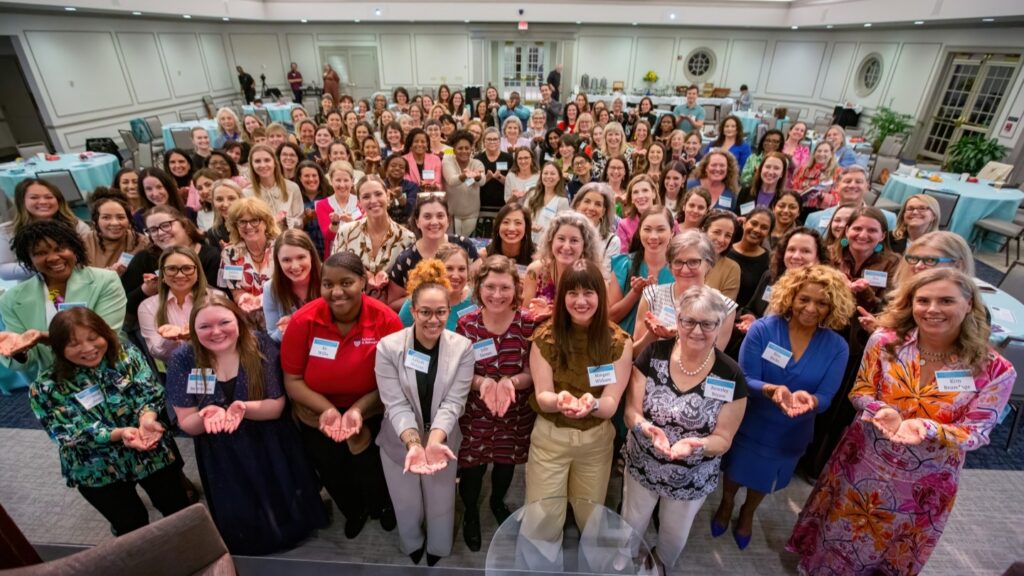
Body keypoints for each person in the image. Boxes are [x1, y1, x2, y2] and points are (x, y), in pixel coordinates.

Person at [788, 268, 1014, 575]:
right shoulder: (885, 341)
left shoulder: (995, 370)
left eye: (946, 300)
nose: (932, 309)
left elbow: (977, 433)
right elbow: (861, 391)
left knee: (889, 546)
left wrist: (926, 427)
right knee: (839, 526)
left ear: (969, 305)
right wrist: (882, 409)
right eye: (923, 300)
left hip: (925, 481)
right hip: (863, 458)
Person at [166, 294, 327, 554]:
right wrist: (207, 413)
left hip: (269, 438)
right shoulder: (185, 359)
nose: (216, 332)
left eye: (224, 322)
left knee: (283, 496)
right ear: (193, 331)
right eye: (205, 327)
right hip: (221, 449)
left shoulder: (259, 345)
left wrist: (243, 409)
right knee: (240, 506)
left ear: (238, 320)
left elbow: (275, 408)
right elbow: (188, 423)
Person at [714, 265, 853, 549]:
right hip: (750, 421)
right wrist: (771, 389)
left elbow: (827, 396)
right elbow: (745, 378)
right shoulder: (764, 330)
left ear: (833, 306)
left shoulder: (837, 347)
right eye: (804, 298)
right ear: (791, 296)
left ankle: (748, 513)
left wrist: (811, 401)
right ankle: (726, 504)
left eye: (822, 302)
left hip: (792, 429)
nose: (811, 308)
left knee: (764, 479)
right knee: (735, 472)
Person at [28, 308, 190, 536]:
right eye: (74, 344)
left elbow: (150, 392)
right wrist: (119, 434)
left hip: (149, 448)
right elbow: (67, 432)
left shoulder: (126, 356)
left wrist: (147, 418)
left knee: (178, 511)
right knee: (131, 525)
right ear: (57, 346)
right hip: (97, 467)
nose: (88, 348)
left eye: (94, 338)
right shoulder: (45, 387)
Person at [622, 285, 747, 571]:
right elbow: (631, 412)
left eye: (708, 323)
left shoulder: (731, 375)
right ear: (677, 321)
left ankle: (658, 567)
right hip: (643, 462)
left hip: (691, 476)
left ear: (719, 326)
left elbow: (724, 439)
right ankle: (624, 563)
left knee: (673, 537)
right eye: (689, 321)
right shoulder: (653, 354)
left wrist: (696, 445)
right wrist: (645, 428)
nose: (697, 330)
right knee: (630, 524)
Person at [280, 251, 401, 538]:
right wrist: (328, 411)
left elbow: (396, 379)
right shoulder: (303, 321)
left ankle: (382, 506)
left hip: (371, 410)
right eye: (327, 284)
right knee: (333, 469)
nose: (336, 292)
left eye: (346, 282)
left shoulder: (386, 320)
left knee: (373, 466)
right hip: (316, 414)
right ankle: (353, 510)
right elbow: (293, 380)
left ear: (363, 281)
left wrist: (358, 409)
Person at [522, 260, 632, 564]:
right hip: (550, 437)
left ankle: (593, 565)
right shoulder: (545, 337)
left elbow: (611, 403)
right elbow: (543, 394)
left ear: (601, 294)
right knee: (542, 513)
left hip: (596, 441)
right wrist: (561, 401)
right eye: (572, 293)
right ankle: (540, 566)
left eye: (589, 292)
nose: (581, 301)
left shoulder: (618, 342)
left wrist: (591, 404)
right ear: (562, 297)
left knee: (591, 511)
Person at [375, 267, 475, 567]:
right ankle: (412, 544)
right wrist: (414, 445)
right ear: (413, 310)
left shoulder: (463, 348)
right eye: (426, 312)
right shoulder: (388, 348)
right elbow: (395, 403)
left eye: (441, 312)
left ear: (449, 311)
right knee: (406, 504)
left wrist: (433, 442)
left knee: (442, 501)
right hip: (397, 443)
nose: (434, 320)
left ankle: (439, 547)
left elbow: (454, 402)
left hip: (442, 443)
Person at [455, 256, 538, 550]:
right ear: (478, 288)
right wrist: (484, 383)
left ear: (516, 289)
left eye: (505, 287)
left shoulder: (528, 324)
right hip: (476, 412)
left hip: (515, 413)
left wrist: (510, 383)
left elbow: (532, 373)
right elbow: (460, 373)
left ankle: (495, 501)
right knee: (473, 470)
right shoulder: (466, 325)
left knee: (506, 464)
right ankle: (471, 513)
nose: (497, 295)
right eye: (490, 287)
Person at [633, 230, 737, 355]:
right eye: (678, 262)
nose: (685, 269)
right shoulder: (652, 295)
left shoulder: (725, 307)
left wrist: (680, 334)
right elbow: (635, 353)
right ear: (670, 267)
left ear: (708, 264)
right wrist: (652, 335)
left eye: (693, 262)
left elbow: (711, 360)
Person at [123, 206, 220, 322]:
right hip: (157, 324)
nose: (160, 232)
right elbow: (125, 305)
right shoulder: (144, 258)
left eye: (165, 225)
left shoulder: (211, 256)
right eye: (153, 230)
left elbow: (219, 299)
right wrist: (146, 290)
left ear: (184, 224)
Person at [386, 196, 479, 310]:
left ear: (448, 220)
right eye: (427, 216)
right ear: (417, 222)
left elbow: (479, 286)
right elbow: (392, 303)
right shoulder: (406, 259)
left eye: (440, 216)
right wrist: (424, 295)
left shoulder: (465, 245)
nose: (434, 222)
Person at [331, 175, 415, 299]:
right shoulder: (346, 232)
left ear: (388, 195)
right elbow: (334, 272)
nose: (373, 200)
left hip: (390, 311)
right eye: (366, 197)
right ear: (359, 202)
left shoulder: (407, 238)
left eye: (378, 194)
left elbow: (409, 285)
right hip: (352, 306)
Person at [0, 178, 91, 281]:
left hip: (75, 280)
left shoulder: (76, 225)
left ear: (58, 200)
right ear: (22, 201)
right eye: (34, 197)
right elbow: (3, 271)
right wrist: (40, 266)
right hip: (33, 286)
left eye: (49, 197)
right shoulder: (8, 231)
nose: (43, 202)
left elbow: (90, 255)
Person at [139, 246, 218, 362]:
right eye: (172, 269)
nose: (180, 275)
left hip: (218, 363)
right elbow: (157, 353)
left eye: (187, 268)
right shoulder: (147, 307)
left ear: (198, 272)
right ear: (162, 274)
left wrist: (198, 336)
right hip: (179, 370)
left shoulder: (217, 297)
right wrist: (169, 339)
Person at [609, 207, 675, 335]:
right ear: (639, 232)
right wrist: (635, 293)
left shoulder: (680, 270)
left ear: (672, 232)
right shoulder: (624, 264)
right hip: (623, 346)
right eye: (647, 229)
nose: (653, 236)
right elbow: (611, 317)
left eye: (661, 229)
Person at [522, 212, 602, 315]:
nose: (566, 247)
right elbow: (525, 316)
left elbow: (596, 321)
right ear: (551, 241)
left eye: (574, 240)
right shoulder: (535, 270)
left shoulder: (594, 277)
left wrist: (550, 314)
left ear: (585, 245)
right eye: (561, 239)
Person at [218, 197, 280, 326]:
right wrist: (242, 298)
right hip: (250, 322)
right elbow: (235, 290)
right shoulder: (230, 254)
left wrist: (263, 299)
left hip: (281, 316)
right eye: (242, 222)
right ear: (236, 226)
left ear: (266, 223)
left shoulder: (281, 247)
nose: (248, 226)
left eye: (254, 220)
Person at [398, 245, 476, 328]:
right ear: (437, 271)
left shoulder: (475, 298)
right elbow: (399, 335)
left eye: (461, 269)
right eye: (449, 268)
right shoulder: (416, 300)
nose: (456, 276)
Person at [803, 165, 897, 232]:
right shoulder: (814, 219)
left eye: (858, 182)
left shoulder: (888, 219)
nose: (852, 185)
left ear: (867, 187)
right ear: (836, 187)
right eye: (847, 181)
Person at [82, 188, 148, 275]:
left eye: (121, 217)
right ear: (95, 221)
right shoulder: (83, 242)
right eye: (106, 217)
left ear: (129, 220)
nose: (115, 223)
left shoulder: (142, 242)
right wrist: (110, 273)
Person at [243, 144, 304, 230]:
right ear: (252, 165)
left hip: (289, 239)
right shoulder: (246, 193)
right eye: (257, 161)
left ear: (275, 162)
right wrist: (273, 221)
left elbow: (300, 221)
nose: (263, 165)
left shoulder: (292, 188)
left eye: (267, 160)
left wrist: (289, 221)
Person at [725, 207, 773, 305]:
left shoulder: (770, 261)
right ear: (744, 223)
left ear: (768, 233)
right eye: (754, 223)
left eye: (764, 227)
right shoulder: (725, 250)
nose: (757, 230)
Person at [443, 131, 486, 236]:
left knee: (465, 243)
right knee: (453, 244)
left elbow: (482, 181)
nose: (464, 151)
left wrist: (477, 176)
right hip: (452, 214)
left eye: (467, 148)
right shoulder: (447, 161)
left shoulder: (477, 163)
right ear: (454, 150)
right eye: (460, 148)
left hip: (472, 214)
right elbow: (452, 181)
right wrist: (465, 175)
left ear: (471, 149)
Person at [316, 160, 362, 255]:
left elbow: (364, 232)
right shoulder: (321, 205)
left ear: (352, 181)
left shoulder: (361, 203)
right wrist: (335, 224)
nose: (342, 185)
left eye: (346, 180)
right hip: (334, 256)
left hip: (358, 254)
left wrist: (351, 223)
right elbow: (328, 236)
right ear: (331, 181)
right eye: (338, 180)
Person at [571, 182, 620, 270]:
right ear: (578, 205)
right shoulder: (564, 232)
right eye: (587, 201)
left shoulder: (612, 242)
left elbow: (606, 276)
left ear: (603, 211)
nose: (591, 208)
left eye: (598, 204)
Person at [790, 141, 840, 215]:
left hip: (823, 212)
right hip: (802, 208)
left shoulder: (838, 172)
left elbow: (837, 198)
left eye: (826, 151)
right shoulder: (803, 169)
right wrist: (803, 191)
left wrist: (821, 195)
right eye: (819, 151)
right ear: (814, 153)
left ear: (831, 155)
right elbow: (793, 189)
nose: (821, 154)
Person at [525, 162, 570, 244]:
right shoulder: (532, 194)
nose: (548, 176)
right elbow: (523, 215)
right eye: (545, 173)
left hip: (548, 244)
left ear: (559, 177)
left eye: (552, 174)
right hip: (528, 241)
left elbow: (563, 227)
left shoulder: (562, 201)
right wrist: (530, 225)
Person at [702, 210, 741, 301]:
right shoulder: (685, 256)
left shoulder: (733, 268)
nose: (721, 239)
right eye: (717, 232)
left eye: (728, 235)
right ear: (704, 231)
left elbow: (725, 308)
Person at [483, 202, 535, 269]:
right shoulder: (484, 255)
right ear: (498, 226)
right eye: (506, 222)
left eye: (518, 223)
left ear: (526, 227)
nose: (511, 228)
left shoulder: (537, 258)